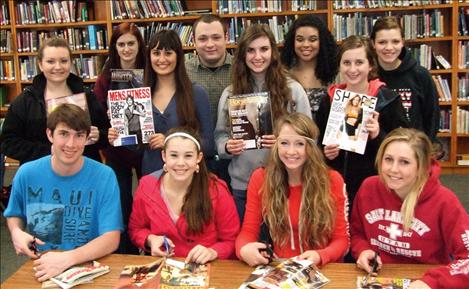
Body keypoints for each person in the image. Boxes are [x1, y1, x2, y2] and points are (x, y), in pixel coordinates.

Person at [3, 103, 122, 282]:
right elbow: (14, 214)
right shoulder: (27, 173)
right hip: (43, 267)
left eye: (79, 135)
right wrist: (15, 232)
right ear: (50, 134)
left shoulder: (104, 176)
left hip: (91, 267)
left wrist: (67, 259)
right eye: (64, 134)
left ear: (87, 138)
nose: (71, 144)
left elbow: (111, 238)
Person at [215, 24, 312, 223]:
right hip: (243, 183)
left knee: (282, 246)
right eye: (250, 50)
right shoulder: (230, 93)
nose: (257, 56)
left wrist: (284, 142)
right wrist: (227, 146)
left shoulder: (293, 90)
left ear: (273, 52)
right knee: (246, 246)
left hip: (284, 182)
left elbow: (310, 137)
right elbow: (219, 135)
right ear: (242, 54)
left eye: (264, 49)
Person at [351, 128, 469, 289]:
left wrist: (432, 282)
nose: (393, 169)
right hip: (379, 277)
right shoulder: (368, 187)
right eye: (388, 159)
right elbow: (357, 233)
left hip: (427, 281)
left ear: (421, 166)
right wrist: (363, 250)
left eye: (404, 162)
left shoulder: (445, 201)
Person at [236, 113, 349, 267]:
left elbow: (342, 240)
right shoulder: (261, 178)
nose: (291, 151)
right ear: (276, 145)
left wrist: (320, 255)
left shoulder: (332, 180)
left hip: (324, 267)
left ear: (311, 147)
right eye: (284, 143)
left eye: (299, 144)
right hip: (280, 267)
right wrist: (244, 250)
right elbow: (248, 231)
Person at [316, 35, 408, 215]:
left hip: (377, 183)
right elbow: (319, 143)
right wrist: (326, 152)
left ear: (371, 65)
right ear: (340, 66)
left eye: (359, 62)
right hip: (337, 183)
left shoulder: (387, 100)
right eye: (346, 63)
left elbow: (404, 146)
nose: (352, 69)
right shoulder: (329, 100)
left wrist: (378, 135)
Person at [128, 127, 240, 264]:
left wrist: (213, 252)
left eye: (188, 156)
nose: (180, 163)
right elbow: (136, 229)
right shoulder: (147, 186)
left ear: (198, 158)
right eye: (174, 155)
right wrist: (150, 240)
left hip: (207, 270)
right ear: (164, 156)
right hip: (164, 269)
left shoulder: (217, 189)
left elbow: (231, 240)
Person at [110, 29, 214, 176]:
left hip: (187, 177)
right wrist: (119, 135)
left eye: (168, 53)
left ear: (178, 56)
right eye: (156, 53)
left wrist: (169, 140)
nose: (162, 59)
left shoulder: (196, 93)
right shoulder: (140, 93)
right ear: (149, 56)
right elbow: (137, 146)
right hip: (151, 176)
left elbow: (209, 145)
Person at [0, 37, 108, 165]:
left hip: (84, 171)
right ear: (40, 64)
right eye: (50, 61)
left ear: (70, 63)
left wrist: (99, 136)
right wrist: (49, 150)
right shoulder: (26, 100)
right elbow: (7, 142)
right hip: (41, 173)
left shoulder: (87, 96)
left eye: (63, 61)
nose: (58, 67)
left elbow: (107, 132)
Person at [93, 22, 146, 254]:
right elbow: (96, 111)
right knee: (121, 201)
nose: (126, 49)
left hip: (147, 147)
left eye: (131, 43)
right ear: (114, 47)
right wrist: (106, 125)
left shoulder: (150, 71)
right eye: (121, 44)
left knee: (149, 198)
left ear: (139, 45)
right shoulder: (106, 76)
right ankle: (126, 250)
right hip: (118, 148)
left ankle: (150, 243)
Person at [370, 16, 439, 142]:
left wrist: (425, 149)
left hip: (415, 151)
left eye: (395, 42)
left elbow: (432, 118)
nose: (389, 47)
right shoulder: (368, 77)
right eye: (382, 42)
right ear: (373, 43)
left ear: (402, 42)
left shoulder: (420, 75)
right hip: (377, 152)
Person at [185, 14, 232, 185]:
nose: (210, 44)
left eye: (216, 37)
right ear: (194, 41)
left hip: (233, 157)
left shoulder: (242, 70)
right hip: (196, 159)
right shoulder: (182, 73)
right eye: (203, 38)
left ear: (226, 37)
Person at [281, 15, 338, 121]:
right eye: (300, 39)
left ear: (322, 41)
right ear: (292, 42)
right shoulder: (283, 74)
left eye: (313, 39)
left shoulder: (336, 73)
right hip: (295, 136)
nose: (306, 44)